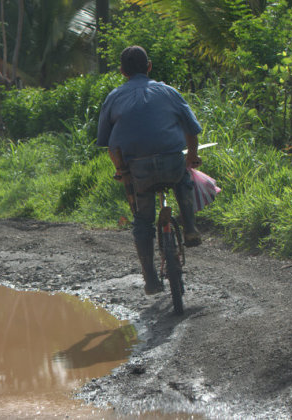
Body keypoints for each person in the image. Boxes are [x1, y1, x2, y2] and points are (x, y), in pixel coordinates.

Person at [97, 45, 202, 295]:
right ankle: (189, 227)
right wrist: (193, 157)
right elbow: (192, 129)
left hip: (139, 170)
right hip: (171, 162)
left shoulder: (113, 98)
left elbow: (107, 142)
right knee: (183, 179)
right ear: (150, 66)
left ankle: (151, 279)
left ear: (122, 72)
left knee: (142, 221)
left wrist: (121, 170)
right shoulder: (168, 91)